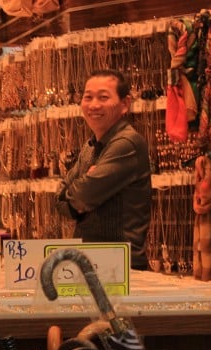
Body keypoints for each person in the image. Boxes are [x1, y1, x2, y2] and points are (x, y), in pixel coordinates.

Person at [55, 69, 152, 270]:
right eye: (88, 97)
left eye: (103, 97)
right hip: (91, 262)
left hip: (122, 266)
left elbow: (81, 196)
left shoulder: (126, 143)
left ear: (125, 104)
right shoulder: (90, 146)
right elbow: (60, 197)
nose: (94, 105)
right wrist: (75, 198)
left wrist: (78, 199)